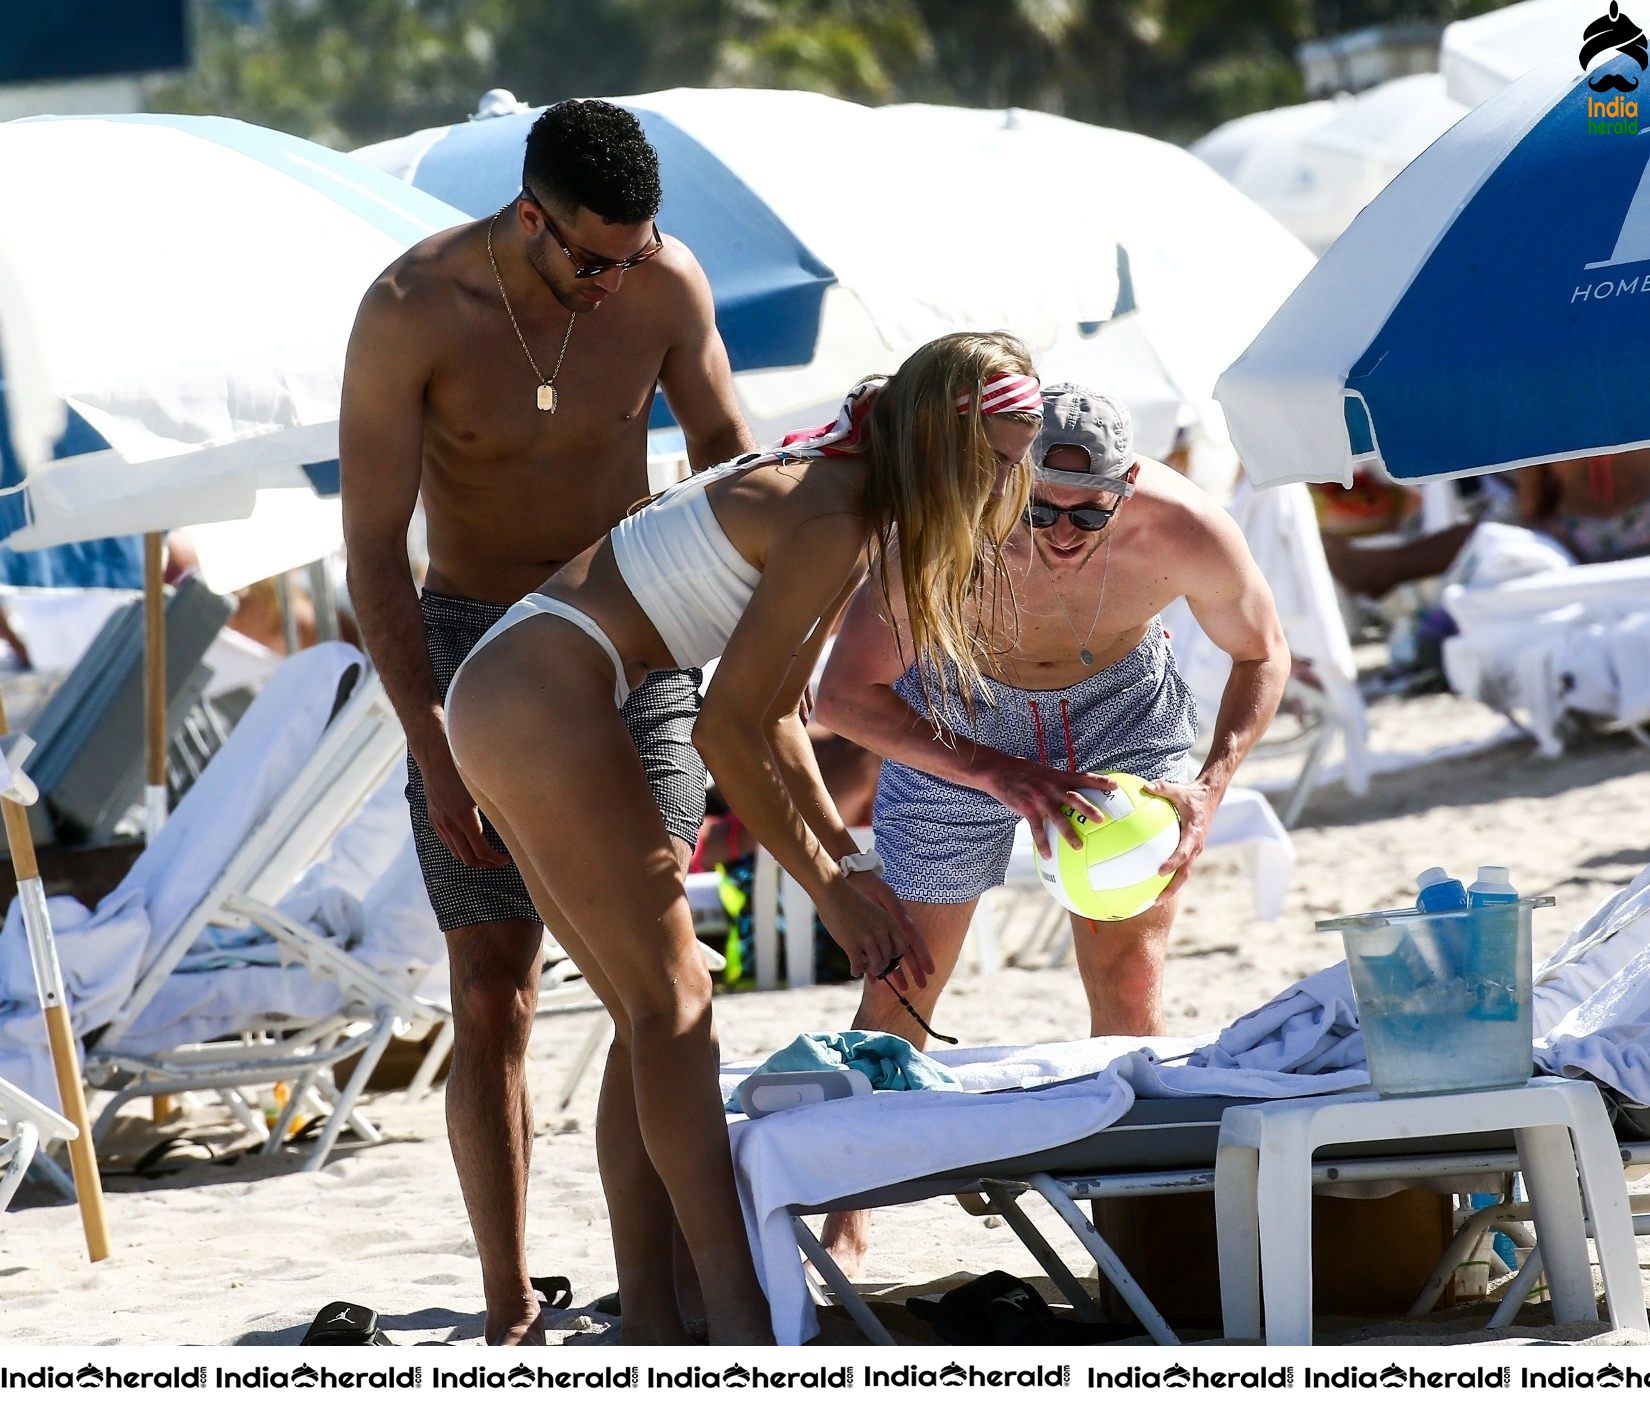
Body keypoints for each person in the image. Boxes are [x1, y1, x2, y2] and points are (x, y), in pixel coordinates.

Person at [443, 331, 1045, 1343]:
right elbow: (725, 726)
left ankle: (658, 1315)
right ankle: (738, 1315)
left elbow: (770, 718)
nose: (1011, 479)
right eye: (1003, 455)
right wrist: (829, 890)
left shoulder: (834, 485)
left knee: (651, 1014)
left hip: (518, 683)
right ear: (948, 443)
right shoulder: (837, 509)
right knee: (677, 998)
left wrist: (851, 865)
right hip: (544, 685)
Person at [339, 98, 754, 1345]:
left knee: (658, 965)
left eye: (634, 254)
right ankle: (510, 1298)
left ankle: (666, 1284)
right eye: (591, 259)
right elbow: (368, 554)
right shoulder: (410, 309)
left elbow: (732, 459)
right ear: (530, 216)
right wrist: (431, 741)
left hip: (634, 628)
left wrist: (745, 669)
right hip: (469, 643)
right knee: (491, 989)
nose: (614, 279)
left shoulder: (662, 285)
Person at [811, 385, 1290, 1276]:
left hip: (1121, 708)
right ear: (1006, 484)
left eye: (1091, 510)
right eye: (1041, 507)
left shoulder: (1184, 525)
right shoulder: (943, 539)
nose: (1065, 532)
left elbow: (1262, 650)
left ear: (1130, 483)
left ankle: (1138, 1219)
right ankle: (849, 1210)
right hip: (956, 710)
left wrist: (1212, 786)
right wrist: (994, 770)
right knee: (907, 974)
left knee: (1128, 965)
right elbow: (841, 696)